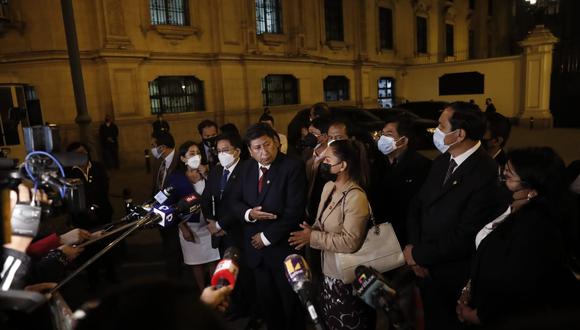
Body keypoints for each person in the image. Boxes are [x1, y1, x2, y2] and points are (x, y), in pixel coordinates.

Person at [456, 147, 580, 327]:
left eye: (508, 176)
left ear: (533, 188)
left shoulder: (538, 225)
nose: (501, 180)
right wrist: (469, 289)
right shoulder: (508, 207)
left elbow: (518, 280)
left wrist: (482, 314)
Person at [405, 101, 499, 330]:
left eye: (441, 126)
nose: (435, 131)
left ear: (460, 134)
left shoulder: (484, 172)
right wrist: (415, 251)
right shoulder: (442, 160)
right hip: (424, 266)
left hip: (452, 276)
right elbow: (418, 204)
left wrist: (420, 254)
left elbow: (466, 235)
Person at [289, 139, 375, 330]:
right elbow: (322, 222)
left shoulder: (356, 197)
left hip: (345, 277)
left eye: (327, 159)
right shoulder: (329, 187)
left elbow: (351, 241)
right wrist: (310, 230)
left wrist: (312, 237)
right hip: (326, 272)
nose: (321, 163)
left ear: (342, 165)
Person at [231, 123, 306, 330]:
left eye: (267, 145)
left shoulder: (292, 167)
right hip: (256, 255)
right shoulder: (245, 168)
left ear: (277, 143)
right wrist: (250, 214)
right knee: (268, 306)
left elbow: (294, 212)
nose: (264, 152)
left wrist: (264, 237)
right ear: (249, 150)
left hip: (283, 249)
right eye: (257, 148)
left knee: (291, 306)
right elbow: (234, 202)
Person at [202, 134, 256, 320]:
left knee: (245, 272)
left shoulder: (247, 170)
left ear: (237, 151)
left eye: (226, 150)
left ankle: (252, 311)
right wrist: (211, 221)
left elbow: (242, 203)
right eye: (219, 151)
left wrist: (221, 224)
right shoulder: (217, 171)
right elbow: (207, 197)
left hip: (238, 231)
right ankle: (236, 307)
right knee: (228, 272)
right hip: (219, 232)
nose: (222, 154)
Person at [166, 141, 220, 291]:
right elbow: (171, 205)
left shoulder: (208, 172)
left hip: (210, 225)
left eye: (198, 153)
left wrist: (207, 174)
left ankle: (215, 290)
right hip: (190, 226)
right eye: (191, 153)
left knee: (213, 259)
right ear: (183, 158)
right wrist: (183, 227)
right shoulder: (176, 178)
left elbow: (218, 193)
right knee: (196, 262)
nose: (196, 156)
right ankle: (202, 290)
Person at [375, 115, 431, 246]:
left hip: (405, 236)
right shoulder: (377, 162)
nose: (382, 139)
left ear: (403, 140)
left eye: (389, 134)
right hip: (381, 235)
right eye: (382, 134)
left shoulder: (422, 166)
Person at [150, 131, 182, 279]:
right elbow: (156, 187)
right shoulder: (159, 162)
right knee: (168, 246)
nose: (152, 149)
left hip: (176, 213)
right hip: (160, 212)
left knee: (174, 247)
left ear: (162, 147)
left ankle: (177, 278)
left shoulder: (180, 162)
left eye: (153, 145)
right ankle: (172, 273)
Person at [304, 117, 331, 222]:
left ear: (324, 137)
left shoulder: (331, 158)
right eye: (308, 132)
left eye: (313, 133)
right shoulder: (307, 152)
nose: (309, 136)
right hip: (307, 205)